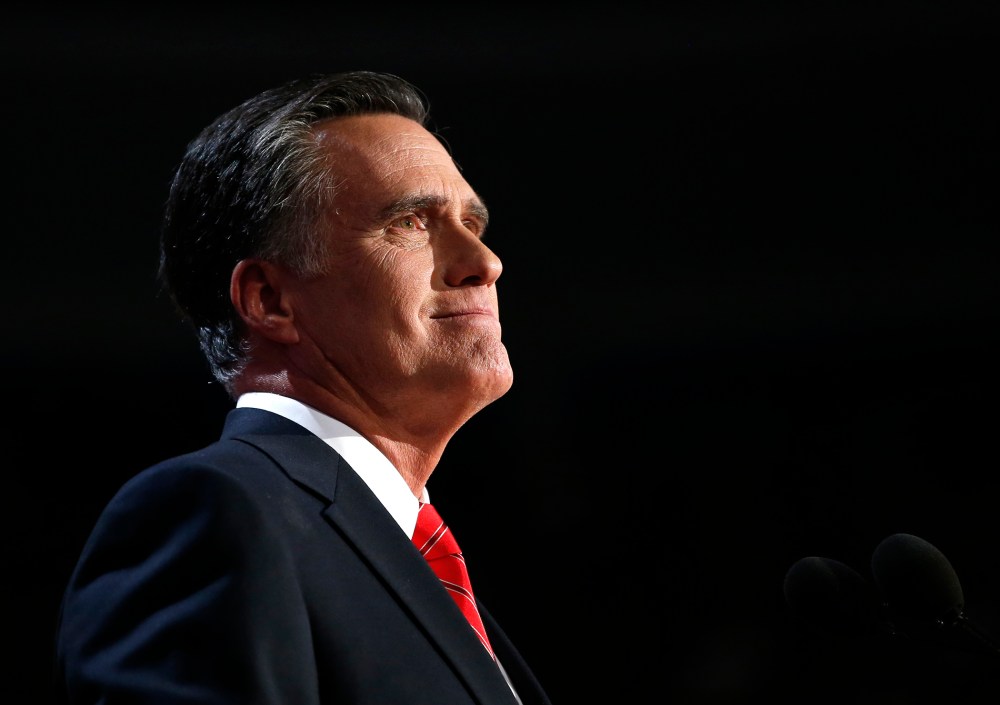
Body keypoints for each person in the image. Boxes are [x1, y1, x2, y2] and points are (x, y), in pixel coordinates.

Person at [54, 70, 552, 705]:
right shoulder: (214, 512)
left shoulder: (407, 552)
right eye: (412, 222)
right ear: (270, 300)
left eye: (471, 224)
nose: (484, 262)